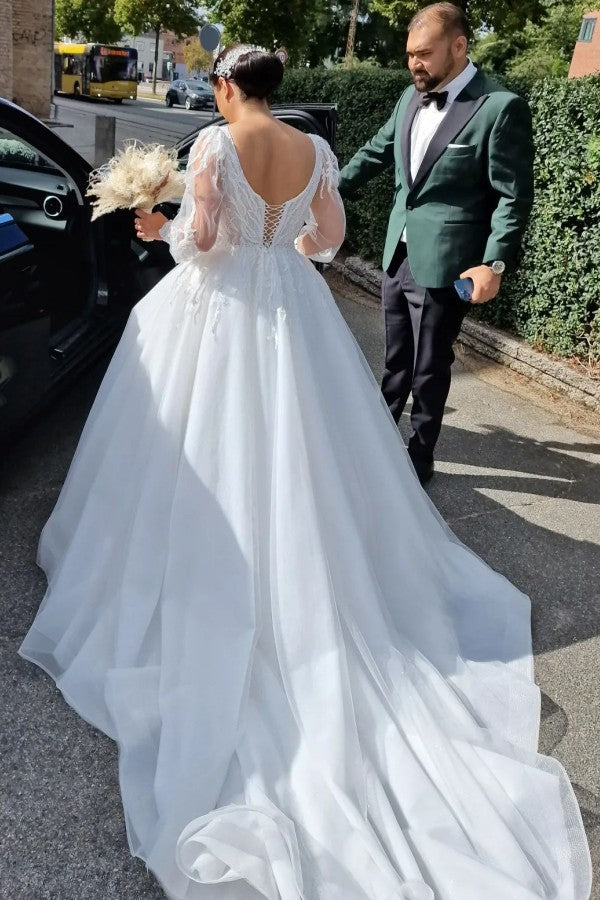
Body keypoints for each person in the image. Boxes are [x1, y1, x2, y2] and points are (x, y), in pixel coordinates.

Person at [19, 43, 590, 900]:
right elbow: (326, 240)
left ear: (224, 85)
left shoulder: (216, 145)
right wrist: (278, 242)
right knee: (305, 452)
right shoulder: (314, 149)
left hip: (219, 311)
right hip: (293, 307)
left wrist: (160, 227)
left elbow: (199, 241)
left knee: (199, 446)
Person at [338, 2, 534, 486]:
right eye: (410, 55)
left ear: (459, 46)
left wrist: (495, 263)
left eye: (424, 54)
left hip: (447, 261)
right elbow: (375, 153)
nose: (414, 64)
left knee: (429, 365)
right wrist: (321, 192)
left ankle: (420, 454)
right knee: (395, 358)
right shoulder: (410, 97)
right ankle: (380, 440)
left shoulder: (499, 107)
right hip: (398, 252)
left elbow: (512, 198)